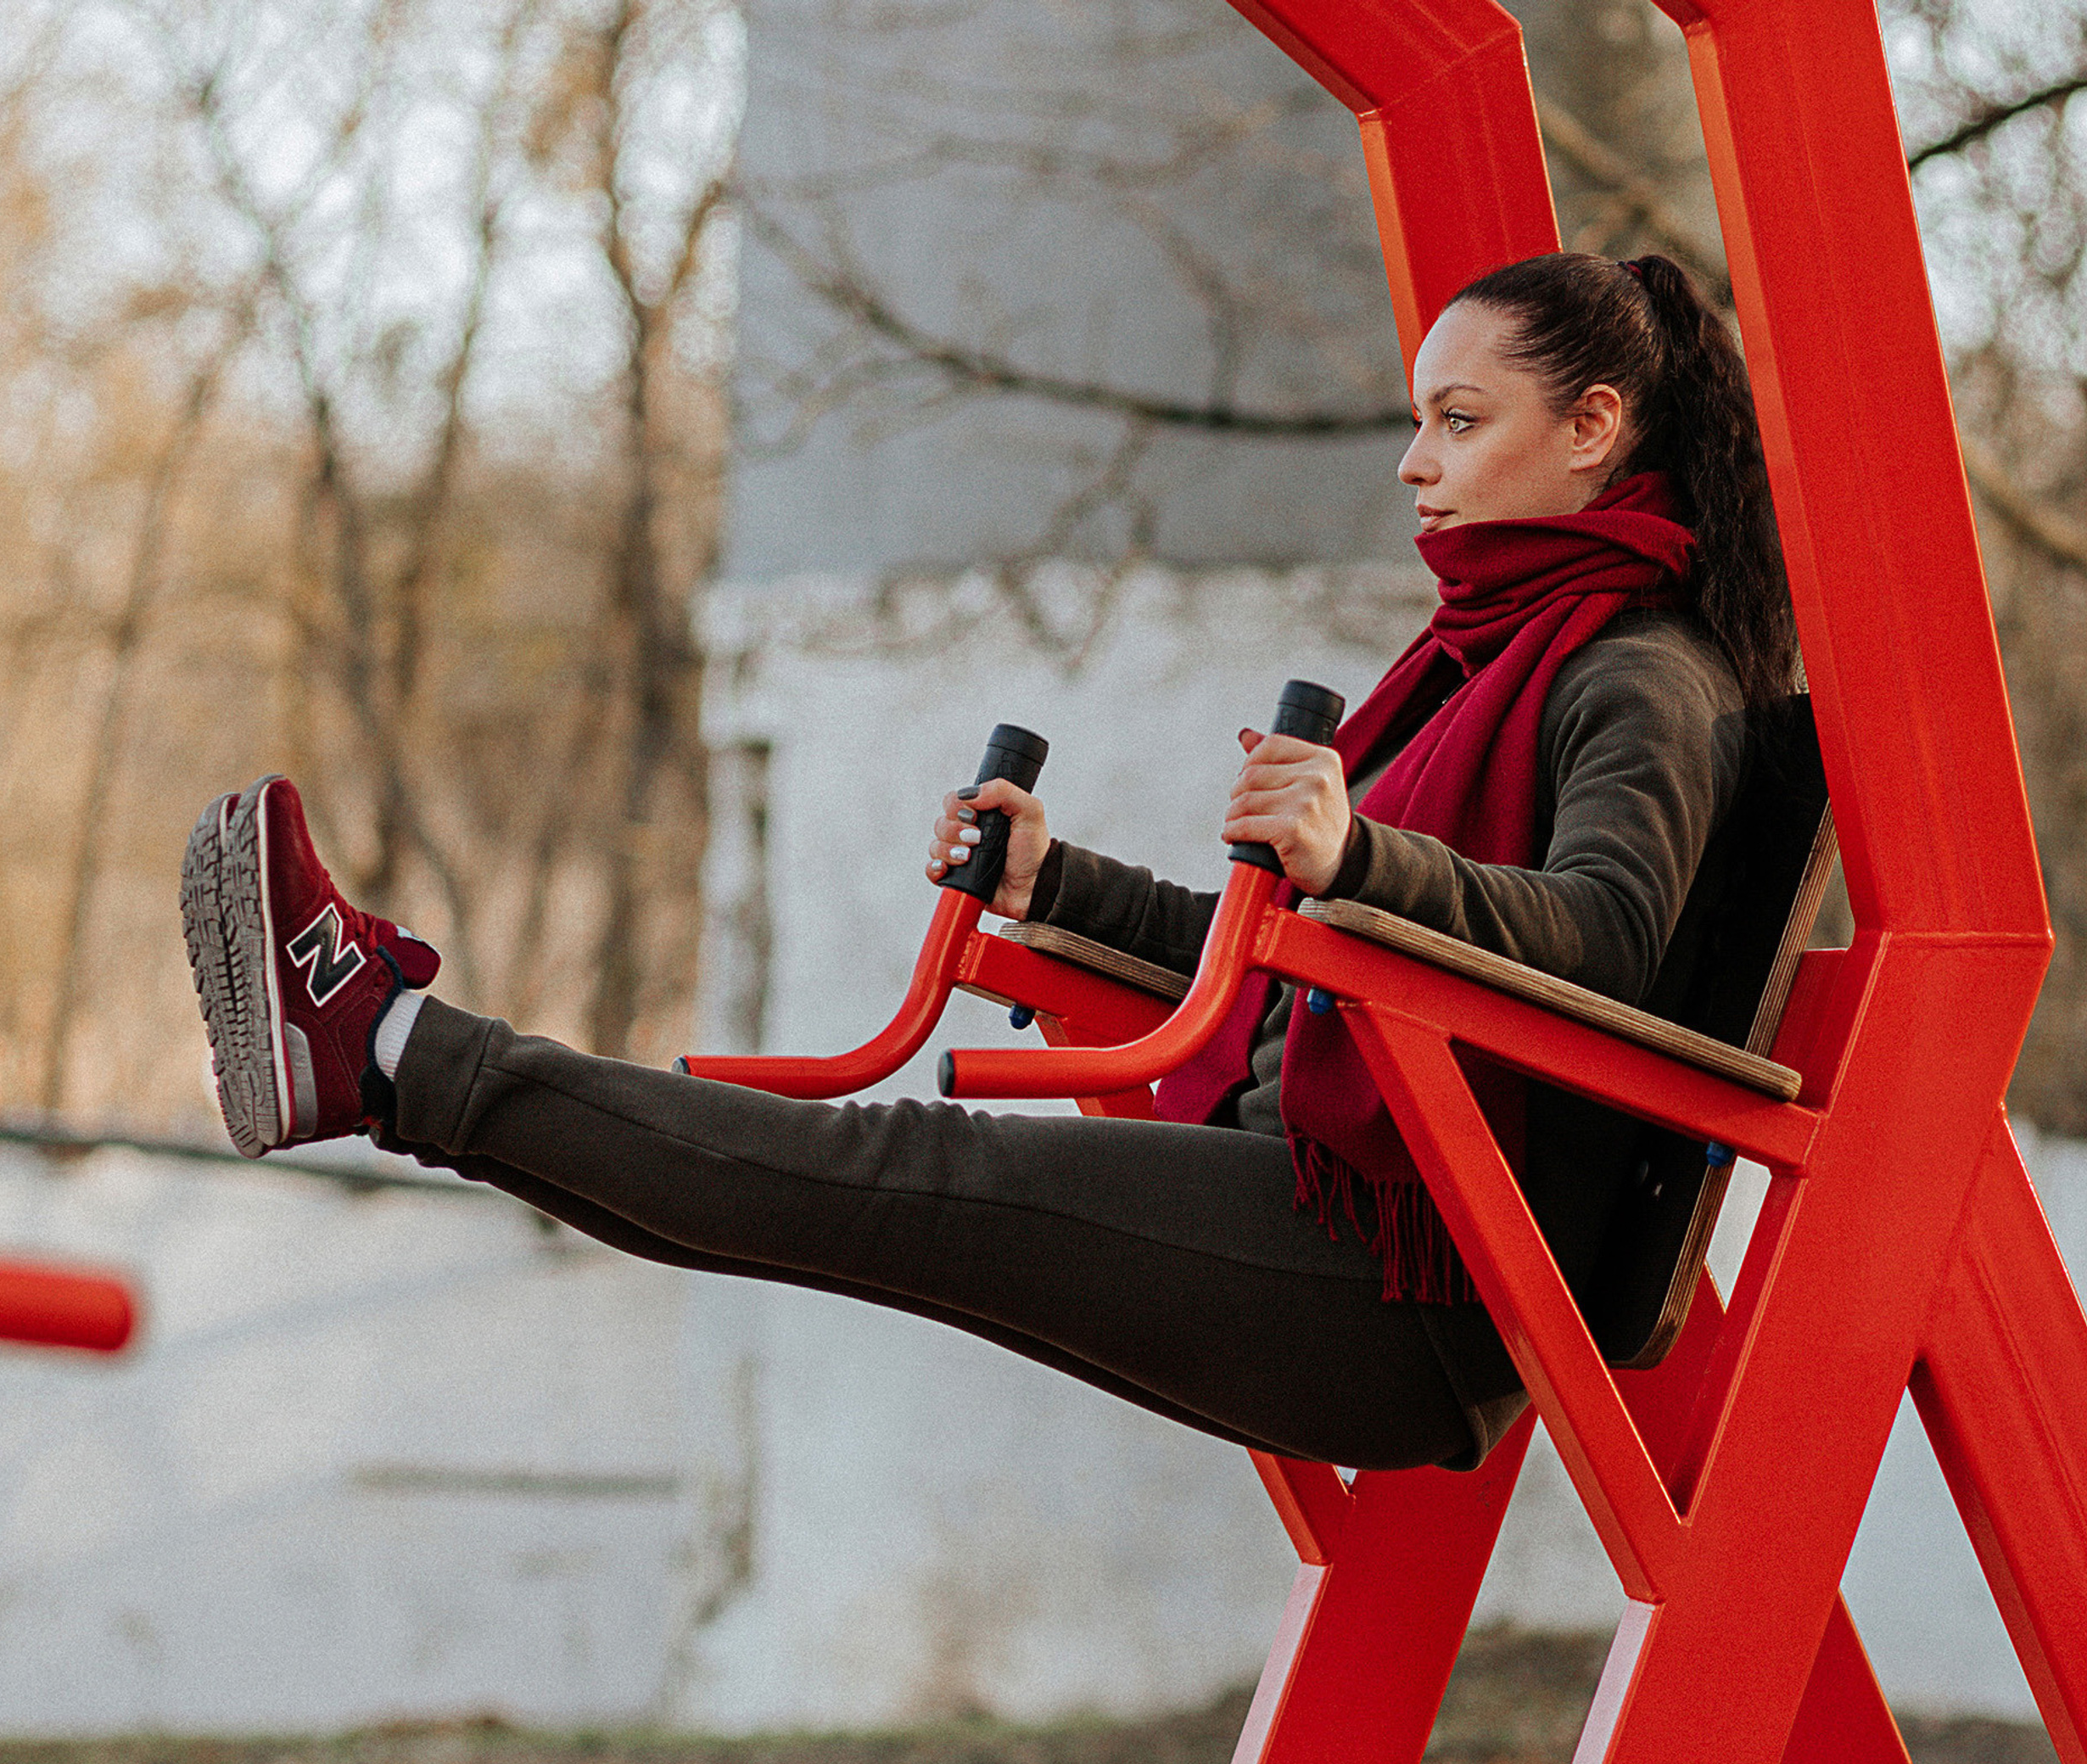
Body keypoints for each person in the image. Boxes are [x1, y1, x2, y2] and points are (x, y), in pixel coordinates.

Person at [180, 250, 1796, 1476]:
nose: (1413, 461)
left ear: (1595, 429)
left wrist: (1357, 847)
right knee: (841, 1208)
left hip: (1399, 1285)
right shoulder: (1495, 653)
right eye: (1417, 420)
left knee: (884, 1176)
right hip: (1339, 1215)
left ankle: (385, 1044)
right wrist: (1060, 889)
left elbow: (1596, 948)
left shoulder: (1637, 673)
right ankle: (388, 1072)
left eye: (1460, 420)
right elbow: (1304, 961)